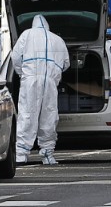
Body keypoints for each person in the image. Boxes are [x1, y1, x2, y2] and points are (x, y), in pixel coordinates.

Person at [12, 14, 70, 165]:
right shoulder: (58, 40)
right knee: (49, 115)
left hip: (30, 80)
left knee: (27, 114)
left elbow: (16, 57)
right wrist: (55, 72)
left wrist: (23, 73)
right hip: (50, 82)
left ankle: (21, 154)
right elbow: (66, 63)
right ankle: (48, 153)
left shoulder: (26, 35)